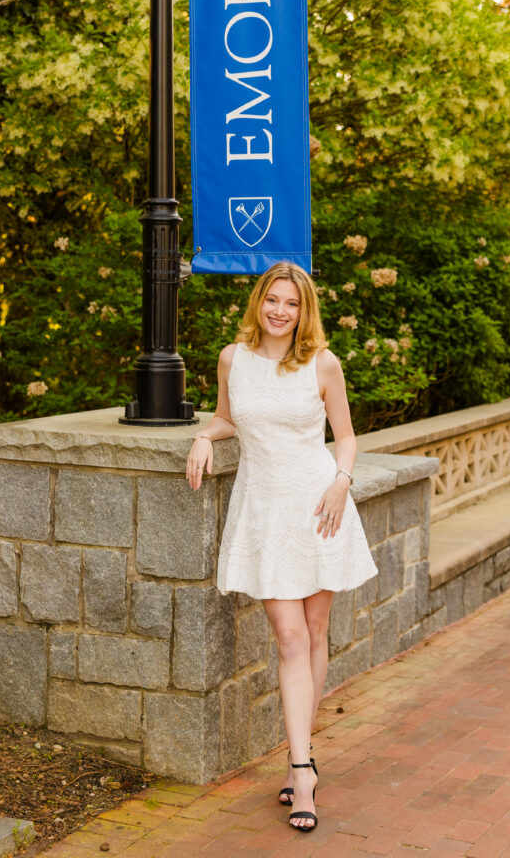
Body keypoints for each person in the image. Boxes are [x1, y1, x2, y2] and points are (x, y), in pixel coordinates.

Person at [185, 261, 377, 833]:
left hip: (319, 506)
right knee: (290, 637)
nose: (280, 311)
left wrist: (343, 483)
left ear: (303, 311)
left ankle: (301, 762)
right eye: (273, 299)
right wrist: (201, 436)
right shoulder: (231, 358)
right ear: (259, 301)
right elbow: (227, 417)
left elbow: (345, 438)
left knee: (314, 634)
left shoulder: (323, 363)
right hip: (264, 510)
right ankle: (303, 766)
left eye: (291, 304)